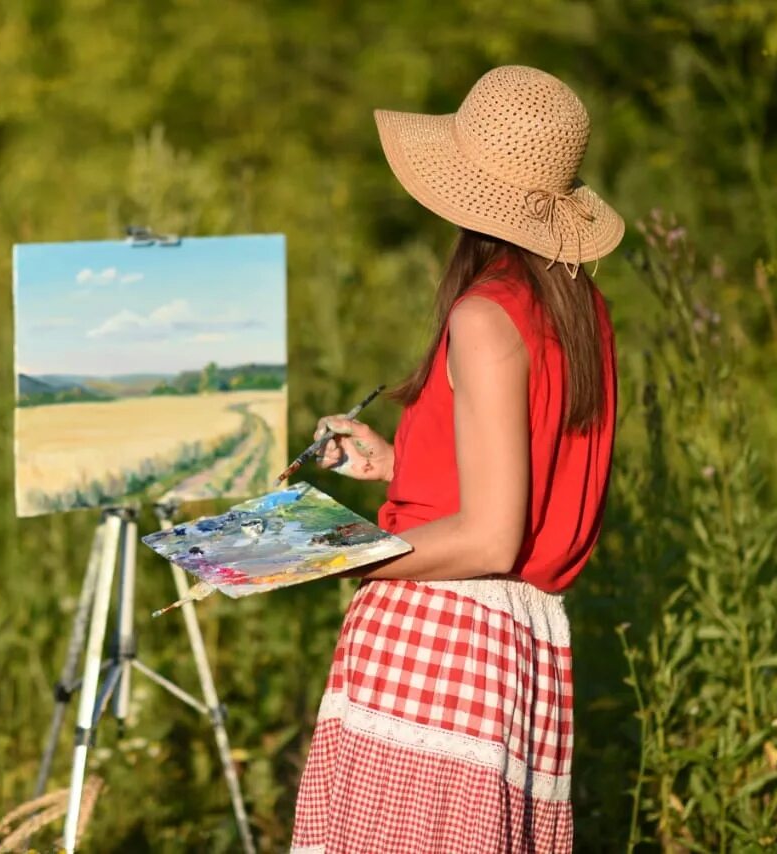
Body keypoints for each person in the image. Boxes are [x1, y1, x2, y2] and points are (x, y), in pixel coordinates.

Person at [290, 65, 624, 853]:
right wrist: (402, 463)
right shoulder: (577, 308)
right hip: (523, 646)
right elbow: (519, 477)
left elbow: (487, 539)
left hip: (442, 635)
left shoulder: (485, 315)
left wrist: (336, 557)